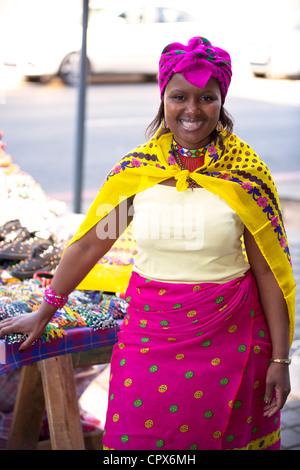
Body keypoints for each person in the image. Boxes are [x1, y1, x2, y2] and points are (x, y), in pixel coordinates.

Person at [0, 37, 295, 451]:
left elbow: (269, 273)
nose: (192, 109)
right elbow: (89, 247)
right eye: (179, 97)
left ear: (221, 102)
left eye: (206, 98)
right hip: (149, 336)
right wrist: (44, 311)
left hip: (229, 338)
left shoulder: (244, 177)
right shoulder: (140, 173)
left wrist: (281, 361)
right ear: (163, 101)